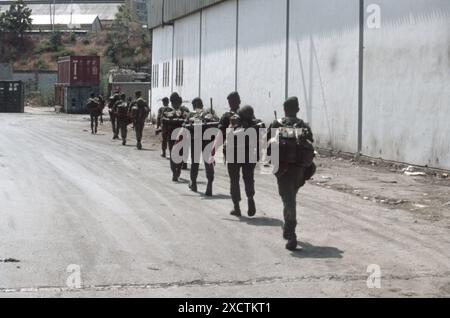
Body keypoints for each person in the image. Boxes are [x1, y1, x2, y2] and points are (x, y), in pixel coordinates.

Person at [268, 97, 316, 251]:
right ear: (298, 109)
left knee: (288, 200)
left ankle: (292, 233)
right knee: (290, 198)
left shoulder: (277, 123)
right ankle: (288, 228)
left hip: (282, 169)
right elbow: (311, 141)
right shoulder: (303, 125)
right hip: (299, 169)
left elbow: (267, 142)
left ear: (284, 108)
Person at [225, 104, 265, 218]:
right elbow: (262, 139)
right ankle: (250, 198)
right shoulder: (256, 124)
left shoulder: (234, 122)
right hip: (249, 155)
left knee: (234, 180)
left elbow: (228, 135)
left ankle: (236, 207)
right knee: (248, 178)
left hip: (234, 155)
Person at [183, 97, 219, 196]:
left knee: (195, 163)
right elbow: (217, 122)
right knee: (208, 162)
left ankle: (193, 183)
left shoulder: (191, 114)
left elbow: (185, 125)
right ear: (202, 105)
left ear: (194, 106)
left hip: (196, 141)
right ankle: (210, 183)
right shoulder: (210, 112)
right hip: (208, 141)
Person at [162, 93, 190, 182]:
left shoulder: (185, 110)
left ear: (179, 101)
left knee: (180, 155)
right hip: (172, 136)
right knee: (173, 155)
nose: (175, 104)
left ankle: (178, 170)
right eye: (173, 102)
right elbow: (164, 121)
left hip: (182, 136)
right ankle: (175, 172)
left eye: (176, 102)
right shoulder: (167, 111)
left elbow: (189, 119)